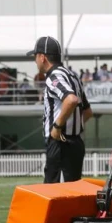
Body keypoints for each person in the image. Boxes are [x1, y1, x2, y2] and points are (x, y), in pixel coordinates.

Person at [33, 36, 93, 184]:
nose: (34, 61)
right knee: (72, 193)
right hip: (76, 143)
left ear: (42, 57)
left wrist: (58, 127)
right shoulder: (72, 76)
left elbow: (71, 100)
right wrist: (73, 126)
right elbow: (87, 112)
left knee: (55, 193)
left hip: (60, 144)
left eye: (35, 57)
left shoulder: (54, 76)